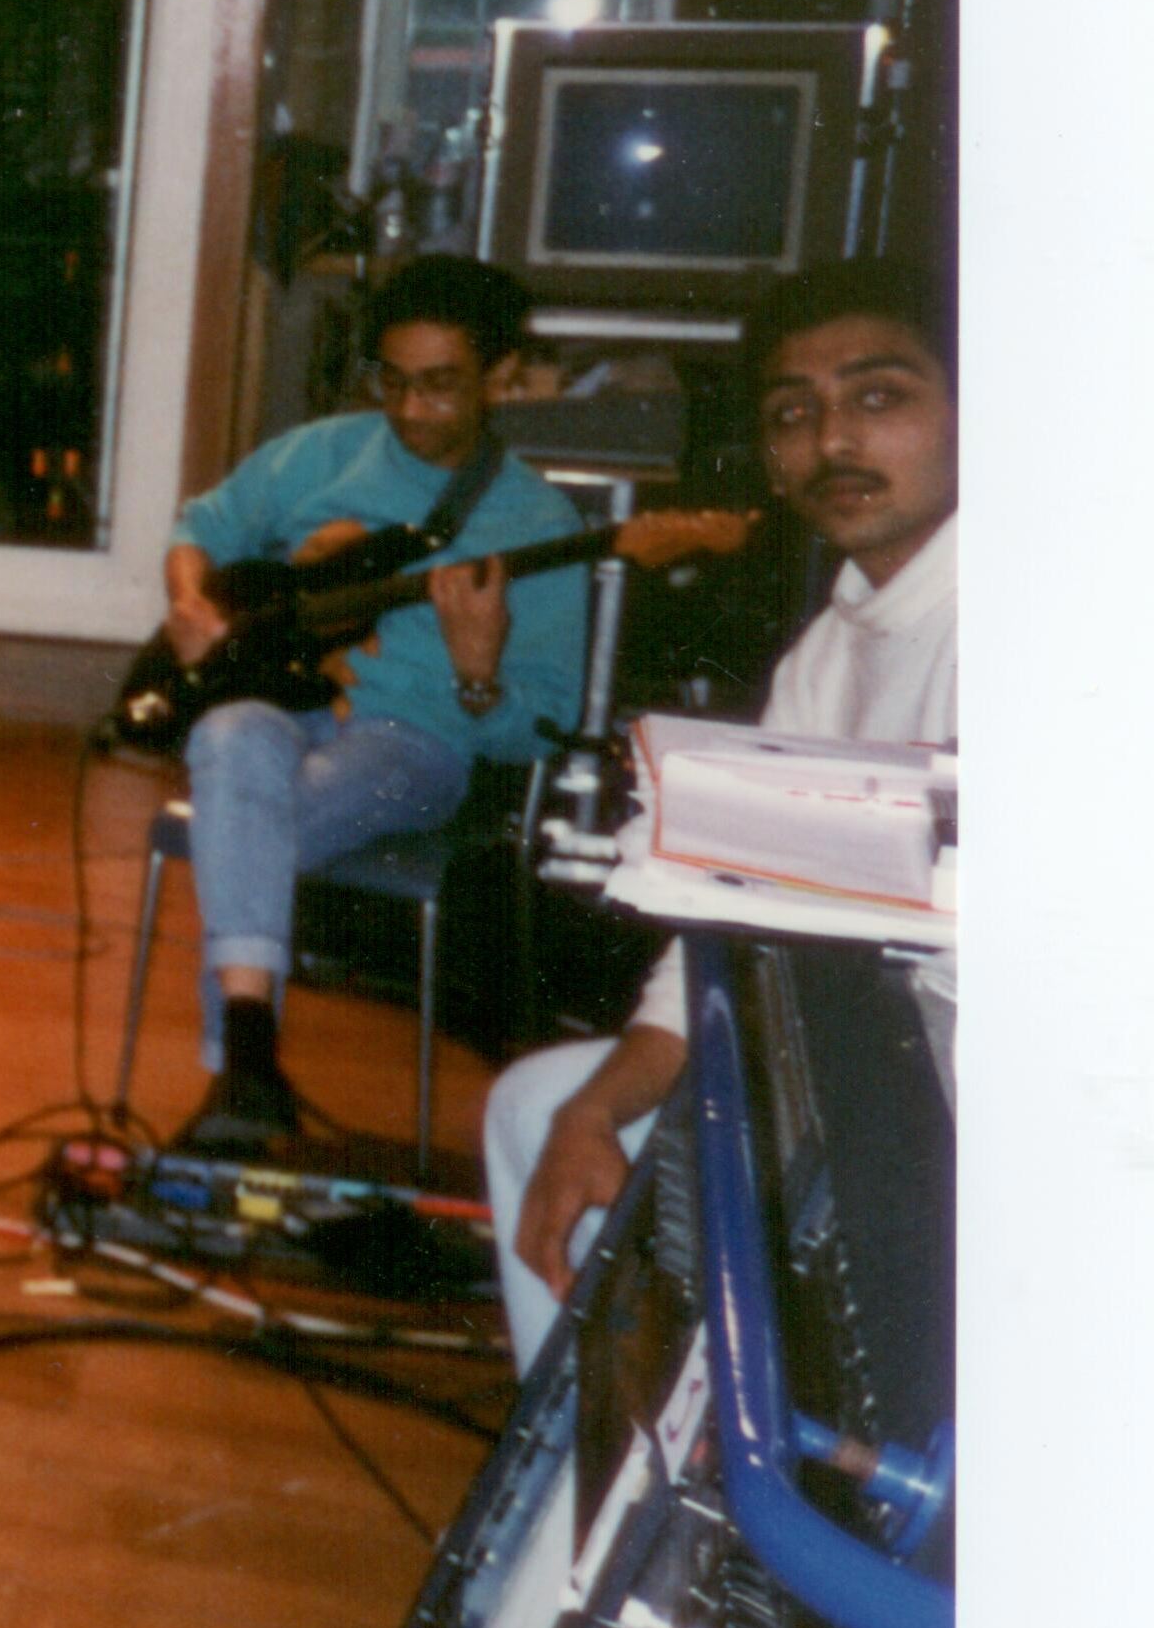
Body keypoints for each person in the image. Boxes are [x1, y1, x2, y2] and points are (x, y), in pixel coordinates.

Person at [482, 259, 957, 1372]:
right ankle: (599, 1512)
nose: (832, 441)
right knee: (541, 1106)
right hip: (860, 1074)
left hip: (969, 1119)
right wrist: (599, 1106)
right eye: (794, 414)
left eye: (878, 397)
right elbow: (722, 917)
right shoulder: (827, 656)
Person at [161, 254, 589, 1153]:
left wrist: (478, 672)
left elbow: (539, 729)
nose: (408, 412)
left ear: (501, 378)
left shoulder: (539, 526)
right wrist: (192, 604)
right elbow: (201, 524)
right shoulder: (320, 453)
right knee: (232, 726)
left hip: (415, 749)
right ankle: (247, 1068)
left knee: (241, 822)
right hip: (286, 708)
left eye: (439, 387)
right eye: (391, 383)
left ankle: (236, 1072)